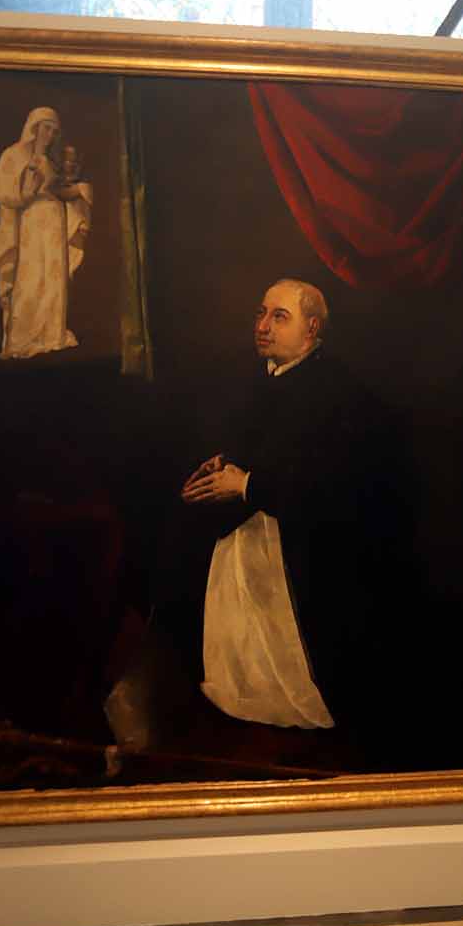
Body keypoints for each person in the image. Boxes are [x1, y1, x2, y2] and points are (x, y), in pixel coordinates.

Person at [174, 278, 373, 730]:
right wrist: (220, 466)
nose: (263, 326)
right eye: (260, 314)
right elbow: (261, 446)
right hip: (248, 532)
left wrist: (245, 484)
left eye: (278, 317)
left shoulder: (337, 392)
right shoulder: (260, 378)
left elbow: (330, 486)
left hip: (305, 549)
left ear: (311, 329)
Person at [0, 107, 87, 359]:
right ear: (34, 126)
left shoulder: (50, 160)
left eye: (54, 130)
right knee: (30, 277)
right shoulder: (13, 155)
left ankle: (51, 334)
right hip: (31, 222)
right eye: (46, 128)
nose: (50, 134)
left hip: (54, 221)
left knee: (53, 277)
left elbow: (59, 189)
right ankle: (22, 338)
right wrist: (29, 185)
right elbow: (6, 191)